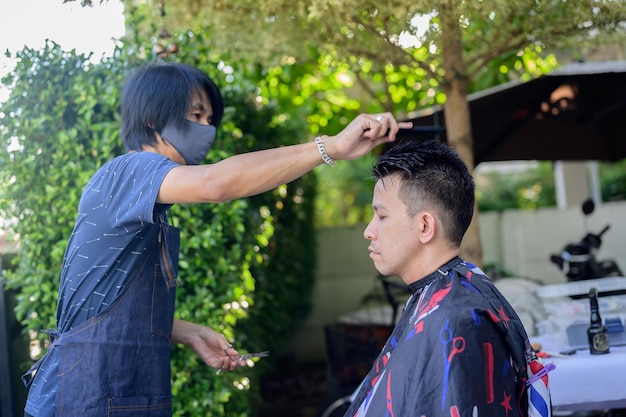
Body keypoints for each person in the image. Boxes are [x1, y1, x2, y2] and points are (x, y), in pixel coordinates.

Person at [20, 62, 412, 417]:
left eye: (209, 118)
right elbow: (216, 183)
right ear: (155, 117)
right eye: (195, 115)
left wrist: (189, 332)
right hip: (81, 395)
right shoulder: (129, 171)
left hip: (115, 391)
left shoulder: (147, 199)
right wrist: (330, 147)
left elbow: (107, 308)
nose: (207, 128)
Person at [344, 140, 552, 417]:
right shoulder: (450, 297)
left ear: (425, 226)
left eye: (381, 215)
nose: (369, 231)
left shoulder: (457, 320)